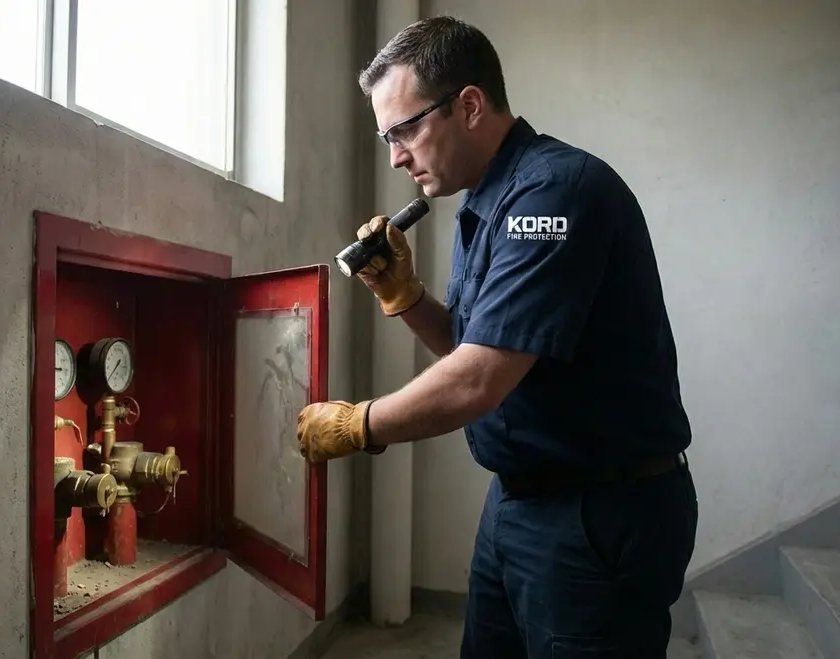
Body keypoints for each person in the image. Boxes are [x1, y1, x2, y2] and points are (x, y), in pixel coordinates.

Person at [295, 15, 699, 659]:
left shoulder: (556, 194)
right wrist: (407, 297)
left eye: (404, 129)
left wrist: (359, 424)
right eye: (385, 136)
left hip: (599, 510)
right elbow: (478, 346)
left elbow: (480, 379)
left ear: (471, 105)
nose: (396, 154)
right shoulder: (484, 203)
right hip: (519, 498)